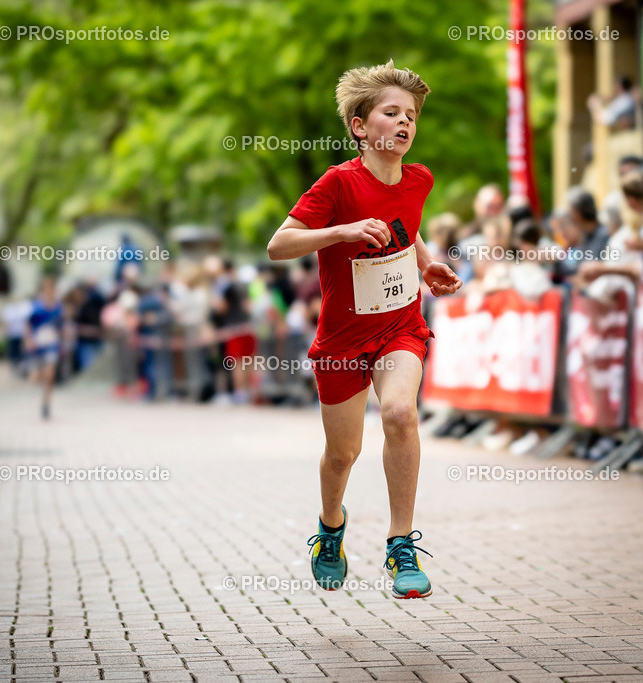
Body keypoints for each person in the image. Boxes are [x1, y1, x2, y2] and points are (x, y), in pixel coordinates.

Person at [267, 60, 461, 599]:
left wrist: (426, 264)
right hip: (342, 340)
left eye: (412, 116)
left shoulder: (418, 179)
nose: (405, 123)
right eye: (391, 113)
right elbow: (278, 245)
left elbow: (406, 227)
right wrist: (340, 231)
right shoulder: (337, 183)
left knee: (400, 414)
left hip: (400, 327)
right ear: (360, 126)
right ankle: (330, 529)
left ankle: (401, 546)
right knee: (342, 454)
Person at [26, 276, 64, 419]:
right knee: (36, 377)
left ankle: (46, 403)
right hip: (38, 344)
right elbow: (28, 324)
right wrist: (29, 340)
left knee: (50, 375)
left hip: (51, 344)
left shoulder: (58, 307)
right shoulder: (36, 306)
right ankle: (36, 376)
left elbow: (60, 325)